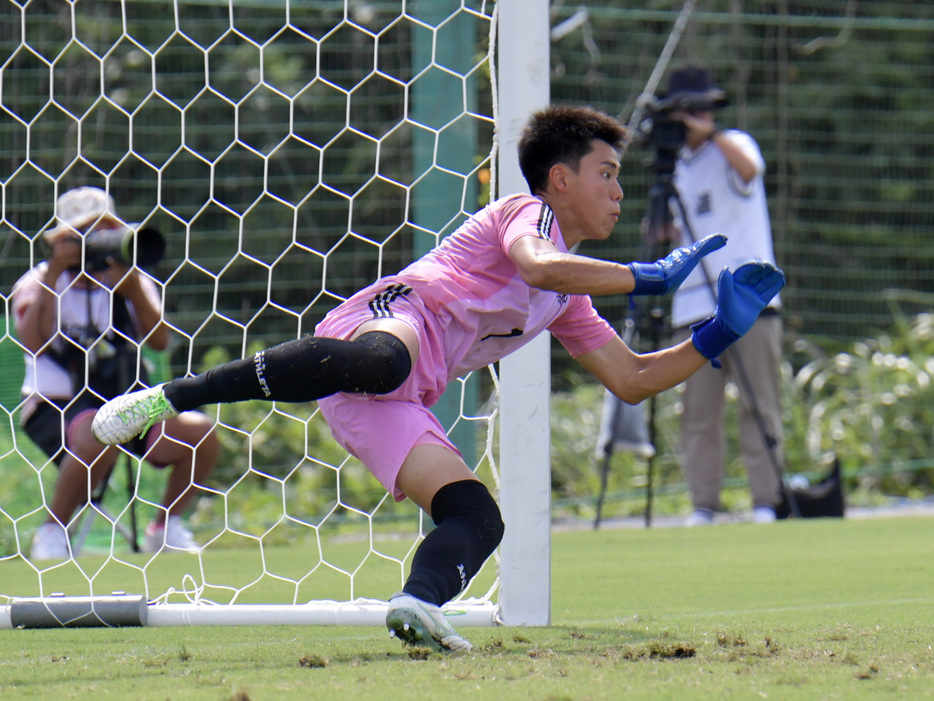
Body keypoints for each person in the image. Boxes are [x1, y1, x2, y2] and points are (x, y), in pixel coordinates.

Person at [90, 105, 784, 652]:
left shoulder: (571, 298)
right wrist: (651, 278)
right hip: (389, 326)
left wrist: (719, 332)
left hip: (395, 400)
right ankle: (163, 397)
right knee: (386, 358)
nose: (619, 189)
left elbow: (631, 378)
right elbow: (537, 264)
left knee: (478, 517)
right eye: (607, 172)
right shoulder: (526, 213)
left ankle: (418, 602)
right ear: (561, 179)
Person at [12, 187, 219, 560]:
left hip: (125, 401)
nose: (96, 242)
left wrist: (132, 289)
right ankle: (51, 531)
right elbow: (32, 343)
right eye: (84, 234)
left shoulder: (129, 280)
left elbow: (159, 341)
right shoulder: (37, 281)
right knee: (98, 432)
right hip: (57, 406)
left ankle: (165, 527)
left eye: (105, 230)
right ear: (60, 241)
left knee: (199, 433)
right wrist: (56, 273)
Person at [663, 62, 785, 526]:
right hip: (694, 303)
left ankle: (765, 502)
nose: (691, 118)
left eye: (699, 109)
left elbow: (750, 170)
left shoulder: (734, 145)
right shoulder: (674, 167)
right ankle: (703, 505)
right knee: (698, 411)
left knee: (760, 404)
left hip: (751, 301)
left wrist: (709, 133)